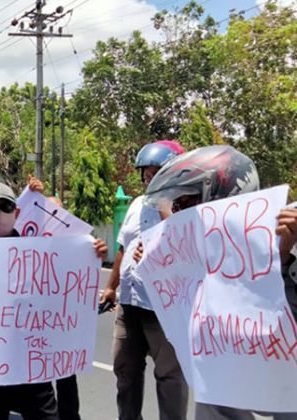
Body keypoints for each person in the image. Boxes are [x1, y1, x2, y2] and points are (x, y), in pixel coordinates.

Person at [138, 145, 297, 420]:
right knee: (214, 398)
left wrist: (285, 249)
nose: (178, 213)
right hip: (228, 372)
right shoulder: (199, 252)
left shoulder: (284, 225)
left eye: (186, 203)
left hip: (284, 376)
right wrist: (158, 265)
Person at [0, 180, 108, 420]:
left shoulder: (41, 251)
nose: (0, 214)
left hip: (32, 368)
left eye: (5, 207)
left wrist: (92, 254)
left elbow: (66, 284)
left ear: (17, 212)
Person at [98, 140, 187, 420]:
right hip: (129, 305)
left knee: (169, 378)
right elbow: (124, 247)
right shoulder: (137, 204)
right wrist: (111, 287)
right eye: (146, 173)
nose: (150, 178)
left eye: (157, 172)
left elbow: (186, 246)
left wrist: (165, 207)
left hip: (164, 308)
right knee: (125, 370)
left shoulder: (186, 206)